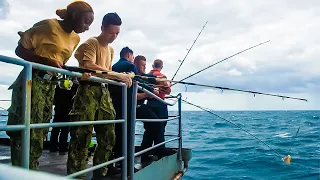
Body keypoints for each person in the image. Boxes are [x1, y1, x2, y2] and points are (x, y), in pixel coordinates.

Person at [6, 1, 94, 170]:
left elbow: (60, 62)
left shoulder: (75, 38)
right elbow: (20, 50)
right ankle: (19, 171)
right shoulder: (48, 25)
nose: (87, 27)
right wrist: (44, 61)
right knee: (25, 131)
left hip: (50, 85)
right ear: (74, 16)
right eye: (86, 22)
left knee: (41, 130)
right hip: (31, 80)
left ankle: (31, 170)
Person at [66, 12, 132, 179]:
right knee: (82, 136)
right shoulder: (91, 43)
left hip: (103, 91)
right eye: (111, 32)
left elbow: (107, 72)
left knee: (109, 135)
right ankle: (76, 175)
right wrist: (117, 75)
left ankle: (101, 172)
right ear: (102, 28)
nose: (114, 36)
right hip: (87, 90)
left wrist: (119, 76)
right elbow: (88, 65)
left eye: (117, 33)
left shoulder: (110, 49)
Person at [109, 47, 139, 174]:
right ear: (128, 55)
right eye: (132, 57)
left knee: (115, 133)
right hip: (127, 105)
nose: (133, 59)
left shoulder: (113, 67)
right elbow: (137, 81)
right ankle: (127, 165)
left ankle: (113, 162)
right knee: (127, 135)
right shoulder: (130, 66)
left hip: (113, 104)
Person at [146, 59, 176, 159]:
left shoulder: (147, 75)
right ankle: (160, 150)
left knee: (149, 129)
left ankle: (145, 152)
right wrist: (168, 85)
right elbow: (168, 91)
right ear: (161, 67)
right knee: (160, 127)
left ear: (152, 65)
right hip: (159, 103)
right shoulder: (162, 76)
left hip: (149, 103)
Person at [49, 78, 79, 154]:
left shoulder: (60, 84)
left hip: (59, 109)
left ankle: (53, 147)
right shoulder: (74, 86)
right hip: (67, 110)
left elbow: (55, 97)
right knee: (65, 130)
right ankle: (62, 147)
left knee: (55, 129)